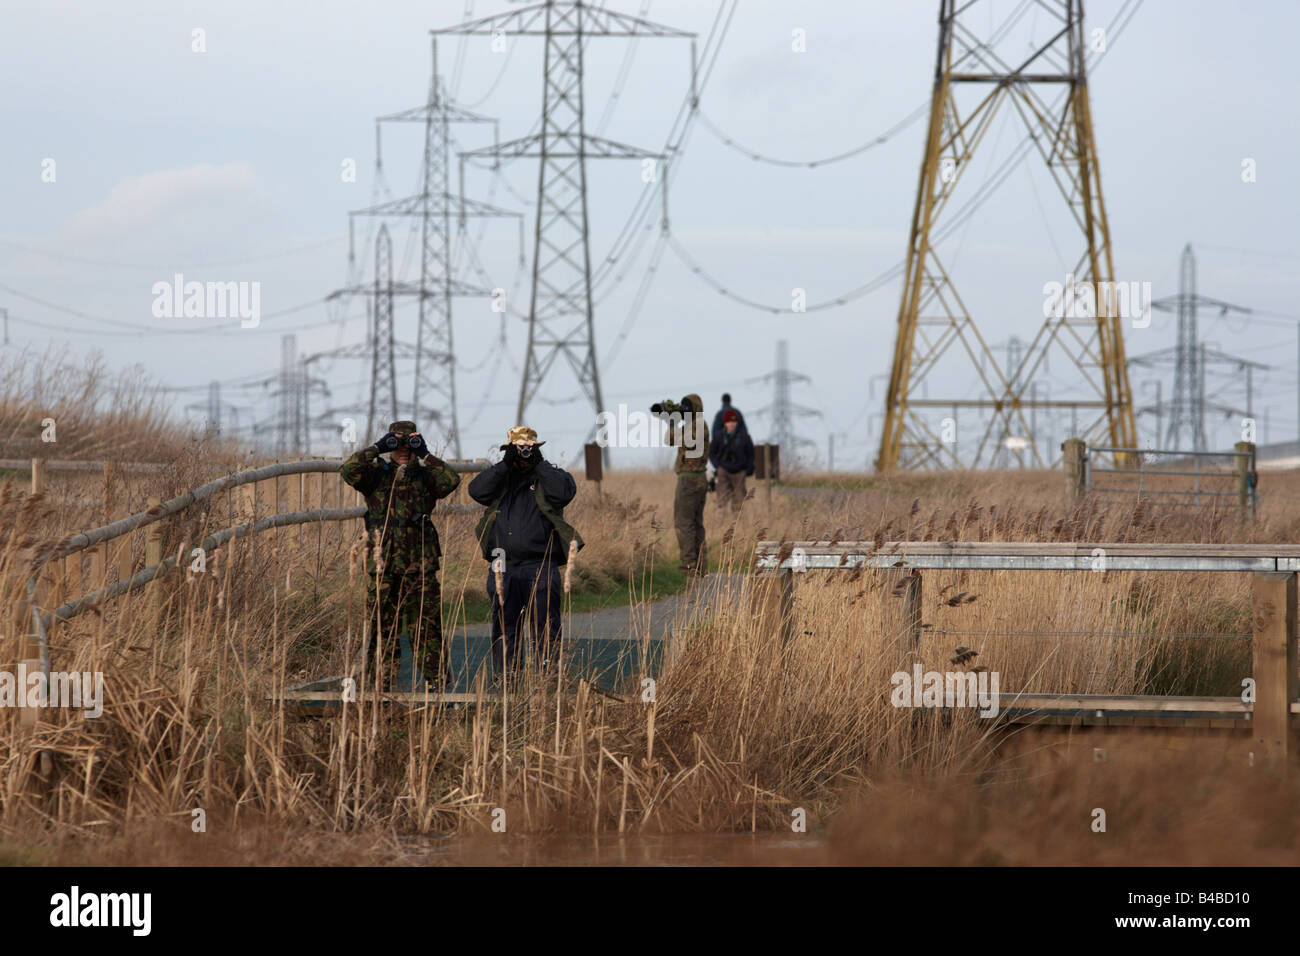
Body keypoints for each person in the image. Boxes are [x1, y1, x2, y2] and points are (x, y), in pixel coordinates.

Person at [341, 420, 461, 690]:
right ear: (390, 446)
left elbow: (452, 480)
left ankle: (436, 682)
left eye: (410, 444)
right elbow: (348, 470)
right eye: (398, 444)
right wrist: (377, 448)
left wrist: (426, 455)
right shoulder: (376, 475)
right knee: (382, 625)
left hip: (420, 561)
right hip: (383, 562)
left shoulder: (426, 476)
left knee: (427, 626)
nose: (404, 450)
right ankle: (382, 683)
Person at [468, 426, 583, 676]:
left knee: (546, 625)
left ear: (537, 450)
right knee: (504, 624)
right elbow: (476, 491)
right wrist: (505, 463)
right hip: (503, 564)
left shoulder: (550, 476)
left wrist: (539, 464)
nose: (523, 454)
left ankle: (548, 677)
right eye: (518, 449)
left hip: (540, 562)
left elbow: (564, 493)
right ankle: (506, 677)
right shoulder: (501, 478)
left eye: (528, 449)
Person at [662, 393, 709, 575]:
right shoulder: (693, 425)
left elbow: (686, 441)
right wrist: (671, 422)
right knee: (695, 523)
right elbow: (669, 440)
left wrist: (675, 421)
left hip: (690, 479)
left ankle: (689, 565)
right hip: (696, 479)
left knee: (684, 523)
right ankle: (699, 566)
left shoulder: (698, 425)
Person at [708, 408, 755, 514]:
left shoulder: (745, 437)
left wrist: (748, 468)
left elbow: (751, 454)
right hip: (723, 470)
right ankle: (720, 525)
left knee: (739, 501)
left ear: (737, 422)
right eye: (729, 421)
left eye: (734, 421)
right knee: (721, 500)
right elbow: (711, 453)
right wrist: (717, 466)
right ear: (725, 423)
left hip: (740, 472)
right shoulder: (718, 437)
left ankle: (737, 524)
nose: (732, 424)